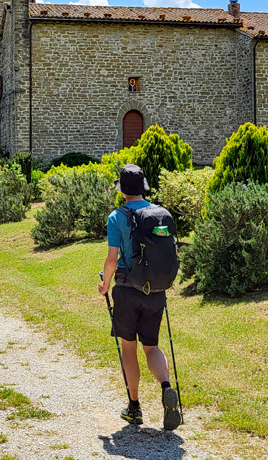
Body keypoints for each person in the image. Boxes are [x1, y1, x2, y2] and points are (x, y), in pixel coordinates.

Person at [97, 164, 181, 430]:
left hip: (127, 289)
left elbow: (112, 259)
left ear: (122, 190)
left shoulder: (116, 217)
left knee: (129, 347)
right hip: (156, 291)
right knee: (152, 347)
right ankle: (166, 386)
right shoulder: (159, 214)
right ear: (143, 188)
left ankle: (134, 408)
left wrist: (105, 285)